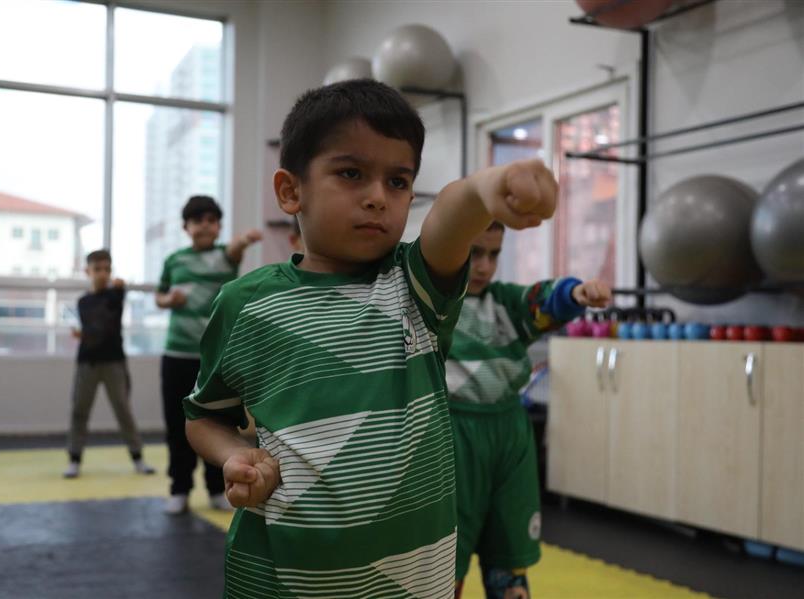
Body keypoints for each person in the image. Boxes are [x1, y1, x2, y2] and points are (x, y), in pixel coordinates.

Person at [182, 79, 559, 598]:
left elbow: (449, 219)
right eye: (351, 174)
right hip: (283, 579)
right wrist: (234, 455)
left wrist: (484, 189)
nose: (379, 197)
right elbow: (204, 416)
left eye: (399, 182)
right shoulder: (246, 306)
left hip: (413, 584)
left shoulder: (414, 288)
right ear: (292, 191)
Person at [448, 222, 612, 599]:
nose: (485, 266)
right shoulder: (434, 305)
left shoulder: (504, 301)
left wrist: (576, 292)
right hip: (453, 435)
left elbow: (541, 299)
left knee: (510, 547)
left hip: (510, 436)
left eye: (494, 255)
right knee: (445, 553)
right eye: (474, 253)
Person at [155, 195, 261, 514]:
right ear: (186, 227)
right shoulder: (175, 260)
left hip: (214, 358)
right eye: (198, 220)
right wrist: (167, 300)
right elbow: (159, 296)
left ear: (219, 227)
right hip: (176, 354)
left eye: (211, 220)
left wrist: (243, 241)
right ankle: (179, 488)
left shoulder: (223, 257)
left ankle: (217, 488)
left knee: (217, 423)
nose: (205, 225)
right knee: (176, 425)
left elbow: (235, 251)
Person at [64, 249, 155, 479]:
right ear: (88, 271)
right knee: (79, 410)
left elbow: (113, 307)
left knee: (123, 410)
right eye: (98, 269)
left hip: (114, 362)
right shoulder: (83, 302)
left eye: (107, 269)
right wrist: (82, 334)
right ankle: (74, 459)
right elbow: (92, 328)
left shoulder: (115, 295)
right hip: (88, 363)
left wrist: (120, 286)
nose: (103, 273)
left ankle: (138, 458)